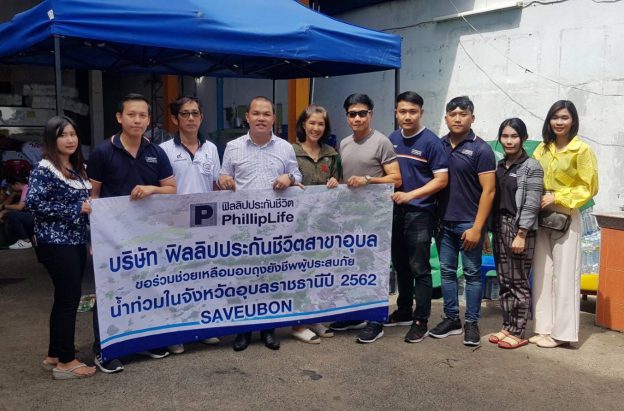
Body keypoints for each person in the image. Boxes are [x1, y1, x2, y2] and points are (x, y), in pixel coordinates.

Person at [88, 93, 176, 372]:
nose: (137, 120)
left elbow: (172, 189)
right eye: (131, 114)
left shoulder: (155, 152)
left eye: (143, 115)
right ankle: (104, 349)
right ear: (119, 117)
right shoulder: (103, 152)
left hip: (147, 235)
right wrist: (93, 237)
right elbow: (93, 196)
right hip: (111, 237)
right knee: (109, 291)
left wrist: (152, 189)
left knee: (145, 287)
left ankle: (143, 341)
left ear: (149, 120)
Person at [218, 96, 302, 351]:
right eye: (256, 113)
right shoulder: (233, 147)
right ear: (247, 117)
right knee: (243, 278)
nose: (261, 118)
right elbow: (223, 175)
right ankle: (243, 331)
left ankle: (268, 329)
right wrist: (224, 181)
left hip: (275, 226)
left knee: (270, 278)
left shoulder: (285, 147)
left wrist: (289, 178)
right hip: (243, 226)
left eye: (267, 114)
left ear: (274, 118)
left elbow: (297, 175)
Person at [26, 116, 96, 379]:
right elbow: (33, 203)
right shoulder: (44, 168)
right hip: (56, 244)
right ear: (51, 139)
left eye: (73, 134)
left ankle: (55, 354)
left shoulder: (77, 168)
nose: (70, 140)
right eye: (63, 135)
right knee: (69, 299)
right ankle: (66, 362)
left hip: (75, 242)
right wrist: (75, 208)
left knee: (64, 298)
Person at [328, 93, 401, 344]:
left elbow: (396, 178)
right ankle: (354, 315)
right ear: (347, 117)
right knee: (352, 267)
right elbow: (344, 177)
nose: (357, 118)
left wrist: (368, 180)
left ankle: (375, 320)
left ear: (371, 114)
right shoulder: (344, 143)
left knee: (373, 267)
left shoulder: (382, 142)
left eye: (362, 113)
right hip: (350, 217)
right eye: (352, 114)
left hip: (375, 218)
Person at [531, 100, 598, 348]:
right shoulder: (542, 148)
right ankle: (543, 328)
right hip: (541, 213)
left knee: (566, 275)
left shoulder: (582, 150)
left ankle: (563, 334)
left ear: (573, 121)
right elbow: (531, 174)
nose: (559, 122)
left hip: (566, 214)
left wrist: (557, 197)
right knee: (542, 272)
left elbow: (589, 187)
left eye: (564, 117)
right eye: (555, 117)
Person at [430, 96, 495, 347]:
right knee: (447, 272)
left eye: (463, 114)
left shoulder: (481, 149)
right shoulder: (438, 145)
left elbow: (489, 191)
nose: (457, 119)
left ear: (472, 118)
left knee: (472, 274)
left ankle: (471, 322)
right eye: (453, 114)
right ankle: (451, 319)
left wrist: (478, 228)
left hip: (468, 223)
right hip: (443, 223)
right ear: (446, 118)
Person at [159, 96, 221, 354]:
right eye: (185, 114)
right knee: (175, 279)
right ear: (175, 119)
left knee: (203, 277)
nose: (191, 118)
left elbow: (216, 185)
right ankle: (175, 333)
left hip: (206, 223)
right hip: (175, 224)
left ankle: (202, 329)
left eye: (195, 113)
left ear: (202, 117)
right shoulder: (163, 150)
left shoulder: (212, 149)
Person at [386, 92, 448, 343]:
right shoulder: (391, 139)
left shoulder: (431, 142)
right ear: (396, 113)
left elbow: (441, 180)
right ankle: (404, 310)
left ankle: (421, 320)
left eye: (413, 111)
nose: (407, 116)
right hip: (395, 211)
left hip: (420, 213)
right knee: (400, 265)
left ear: (421, 112)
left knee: (419, 268)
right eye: (403, 111)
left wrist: (411, 195)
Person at [487, 118, 543, 349]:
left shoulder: (531, 166)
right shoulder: (500, 166)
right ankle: (507, 326)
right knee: (504, 280)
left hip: (519, 228)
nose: (509, 141)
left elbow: (532, 203)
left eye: (514, 136)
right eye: (505, 136)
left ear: (524, 139)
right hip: (499, 225)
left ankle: (518, 331)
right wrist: (488, 231)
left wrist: (522, 233)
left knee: (518, 281)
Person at [291, 104, 340, 344]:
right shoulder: (291, 151)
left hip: (322, 224)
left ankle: (314, 318)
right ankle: (298, 324)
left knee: (319, 272)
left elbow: (338, 183)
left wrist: (335, 182)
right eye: (312, 123)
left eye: (321, 124)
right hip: (297, 224)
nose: (316, 128)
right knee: (300, 273)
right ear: (303, 124)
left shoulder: (331, 154)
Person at [0, 173, 34, 249]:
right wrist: (4, 211)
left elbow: (19, 207)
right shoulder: (25, 188)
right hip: (34, 215)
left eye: (11, 186)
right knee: (13, 215)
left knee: (13, 215)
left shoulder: (26, 188)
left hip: (37, 216)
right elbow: (19, 205)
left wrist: (3, 207)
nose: (11, 188)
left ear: (17, 184)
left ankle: (25, 241)